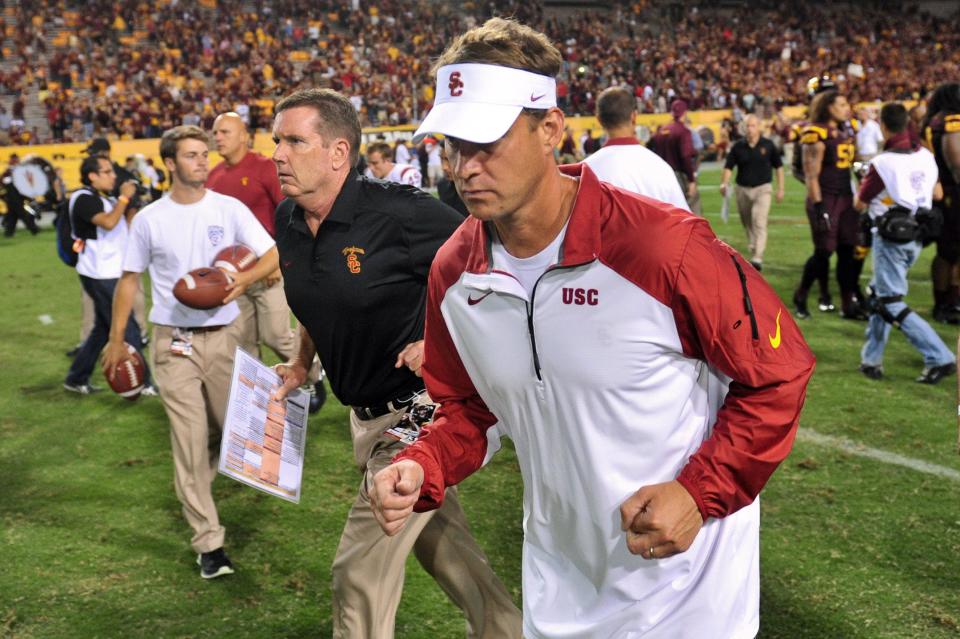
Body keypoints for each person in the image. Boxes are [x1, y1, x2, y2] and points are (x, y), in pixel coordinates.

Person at [370, 18, 815, 639]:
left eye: (486, 142)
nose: (464, 167)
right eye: (452, 145)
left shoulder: (663, 246)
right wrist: (425, 463)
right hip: (560, 589)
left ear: (550, 129)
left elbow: (780, 371)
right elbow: (469, 411)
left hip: (690, 597)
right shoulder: (455, 271)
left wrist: (698, 492)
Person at [269, 89, 520, 639]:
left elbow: (498, 261)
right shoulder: (288, 219)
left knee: (358, 570)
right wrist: (299, 363)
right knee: (445, 549)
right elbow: (316, 298)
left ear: (338, 153)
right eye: (276, 142)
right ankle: (510, 631)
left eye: (294, 141)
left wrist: (439, 336)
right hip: (363, 416)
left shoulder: (400, 213)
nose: (279, 155)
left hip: (421, 412)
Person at [102, 125, 279, 579]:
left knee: (237, 434)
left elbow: (273, 252)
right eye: (192, 155)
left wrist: (243, 280)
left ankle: (206, 478)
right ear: (169, 164)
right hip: (172, 343)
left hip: (225, 338)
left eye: (204, 153)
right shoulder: (149, 220)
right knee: (189, 442)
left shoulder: (229, 207)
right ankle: (209, 543)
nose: (203, 160)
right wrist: (117, 337)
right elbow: (129, 280)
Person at [207, 111, 326, 412]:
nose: (217, 137)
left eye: (224, 132)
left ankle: (312, 373)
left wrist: (278, 261)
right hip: (234, 275)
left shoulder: (266, 168)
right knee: (244, 344)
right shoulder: (214, 176)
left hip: (271, 267)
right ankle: (263, 405)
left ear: (243, 136)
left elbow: (290, 213)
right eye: (215, 132)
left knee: (275, 334)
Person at [855, 102, 956, 384]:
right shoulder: (924, 154)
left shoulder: (882, 163)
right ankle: (870, 359)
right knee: (879, 295)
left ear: (884, 127)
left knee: (890, 302)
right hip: (918, 235)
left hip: (891, 238)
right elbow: (936, 193)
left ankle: (940, 357)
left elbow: (859, 202)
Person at [63, 155, 154, 395]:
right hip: (99, 273)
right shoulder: (83, 198)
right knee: (128, 325)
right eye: (107, 172)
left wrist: (132, 203)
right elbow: (108, 222)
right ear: (92, 175)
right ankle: (144, 383)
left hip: (110, 270)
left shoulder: (104, 198)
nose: (113, 176)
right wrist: (124, 196)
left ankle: (76, 377)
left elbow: (126, 226)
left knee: (103, 328)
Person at [792, 89, 867, 320]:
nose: (847, 108)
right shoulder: (814, 133)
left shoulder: (846, 130)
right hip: (826, 198)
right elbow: (811, 175)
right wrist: (819, 206)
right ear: (828, 107)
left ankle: (847, 305)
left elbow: (853, 164)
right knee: (824, 251)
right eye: (842, 104)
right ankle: (801, 295)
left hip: (845, 197)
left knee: (847, 251)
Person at [582, 86, 688, 210]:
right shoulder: (661, 168)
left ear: (599, 120)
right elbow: (683, 222)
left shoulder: (585, 173)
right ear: (634, 116)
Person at [720, 114, 786, 271]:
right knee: (747, 221)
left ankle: (757, 257)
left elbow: (779, 167)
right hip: (742, 188)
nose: (750, 129)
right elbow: (729, 166)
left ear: (759, 127)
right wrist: (724, 183)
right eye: (747, 126)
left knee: (759, 220)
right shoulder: (738, 147)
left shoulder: (768, 145)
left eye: (753, 126)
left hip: (763, 188)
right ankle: (753, 244)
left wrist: (780, 188)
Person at [923, 83, 960, 324]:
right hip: (953, 191)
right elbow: (957, 163)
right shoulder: (951, 120)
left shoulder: (933, 120)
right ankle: (947, 303)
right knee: (951, 251)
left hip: (940, 189)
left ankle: (946, 301)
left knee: (948, 250)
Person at [651, 99, 701, 214]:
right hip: (680, 176)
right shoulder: (683, 131)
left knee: (671, 213)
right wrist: (691, 180)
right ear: (684, 113)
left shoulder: (662, 131)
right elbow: (686, 156)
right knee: (691, 212)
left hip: (662, 177)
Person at [1, 154, 40, 237]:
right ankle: (34, 229)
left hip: (12, 198)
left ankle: (9, 233)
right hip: (15, 198)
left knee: (12, 215)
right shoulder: (10, 173)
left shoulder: (9, 173)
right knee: (22, 214)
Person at [436, 139, 469, 217]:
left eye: (448, 159)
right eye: (441, 159)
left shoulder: (476, 187)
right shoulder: (442, 185)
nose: (444, 167)